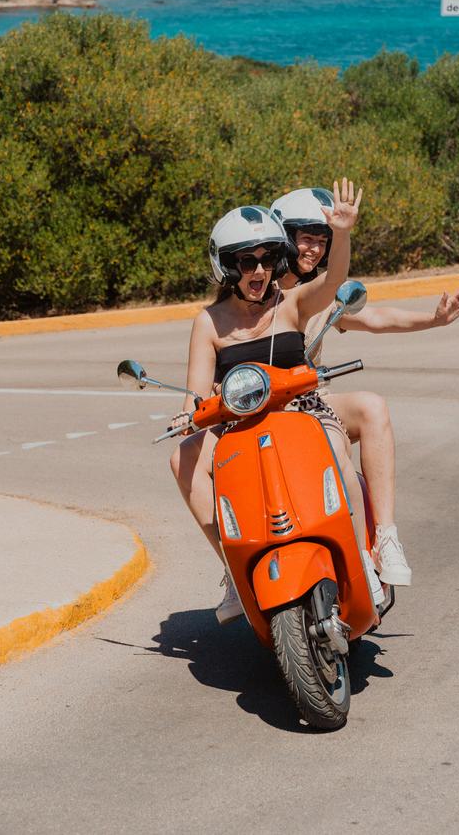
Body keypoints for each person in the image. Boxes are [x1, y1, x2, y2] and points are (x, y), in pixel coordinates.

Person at [168, 179, 380, 624]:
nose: (259, 271)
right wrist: (186, 415)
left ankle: (362, 562)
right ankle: (233, 569)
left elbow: (334, 281)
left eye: (267, 259)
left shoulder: (291, 303)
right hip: (239, 426)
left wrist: (341, 234)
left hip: (301, 413)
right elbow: (195, 395)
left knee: (338, 453)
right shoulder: (209, 322)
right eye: (247, 261)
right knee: (181, 458)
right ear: (227, 267)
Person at [269, 187, 459, 589]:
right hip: (267, 411)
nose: (314, 249)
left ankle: (384, 538)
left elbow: (376, 318)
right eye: (306, 238)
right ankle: (234, 570)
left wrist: (433, 319)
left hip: (312, 403)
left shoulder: (318, 295)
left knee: (372, 406)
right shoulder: (255, 291)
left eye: (322, 241)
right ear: (284, 235)